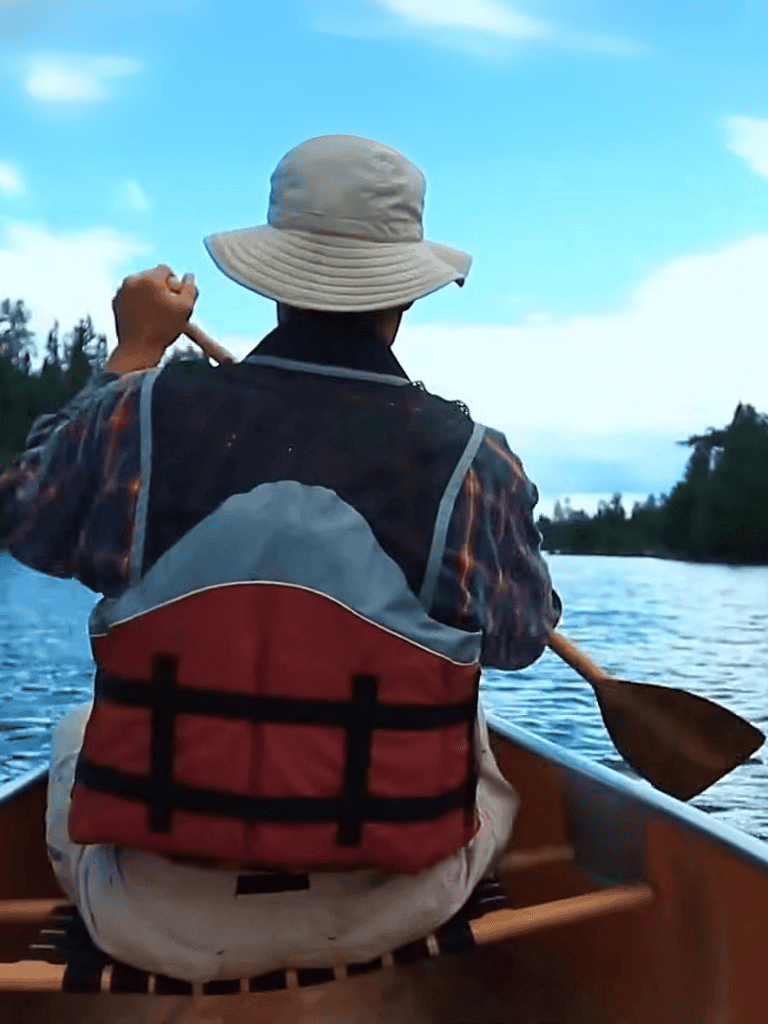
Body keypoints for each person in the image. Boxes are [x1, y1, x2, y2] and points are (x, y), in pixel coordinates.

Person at [0, 134, 560, 983]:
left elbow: (27, 520)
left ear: (272, 279)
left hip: (148, 914)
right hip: (394, 902)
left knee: (75, 727)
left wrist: (131, 358)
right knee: (474, 729)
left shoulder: (140, 414)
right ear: (404, 296)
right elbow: (520, 639)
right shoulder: (474, 460)